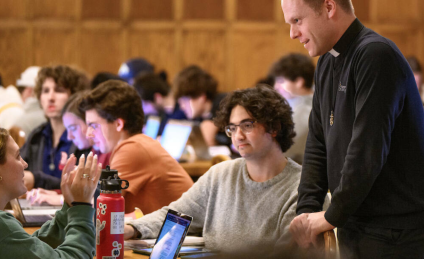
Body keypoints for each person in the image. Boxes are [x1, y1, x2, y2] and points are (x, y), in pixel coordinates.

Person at [275, 0, 424, 257]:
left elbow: (367, 149)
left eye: (297, 20)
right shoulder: (327, 61)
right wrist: (307, 213)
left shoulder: (375, 55)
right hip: (357, 216)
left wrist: (329, 217)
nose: (293, 33)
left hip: (394, 224)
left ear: (329, 7)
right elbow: (318, 145)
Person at [124, 84, 300, 255]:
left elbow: (286, 254)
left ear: (274, 127)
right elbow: (175, 216)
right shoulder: (220, 175)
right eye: (232, 128)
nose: (238, 136)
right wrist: (131, 228)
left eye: (247, 125)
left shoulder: (301, 187)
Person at [0, 126, 101, 258]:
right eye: (17, 156)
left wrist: (70, 204)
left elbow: (28, 251)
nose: (25, 164)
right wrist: (81, 206)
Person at [80, 80, 193, 214]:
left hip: (182, 233)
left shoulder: (132, 148)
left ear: (118, 124)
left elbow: (100, 210)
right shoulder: (137, 144)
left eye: (93, 125)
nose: (88, 134)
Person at [27, 91, 112, 206]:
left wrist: (62, 199)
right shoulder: (97, 150)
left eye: (73, 128)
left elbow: (105, 199)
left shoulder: (107, 151)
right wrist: (58, 194)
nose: (69, 136)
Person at [21, 65, 89, 190]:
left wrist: (37, 180)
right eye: (45, 91)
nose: (50, 98)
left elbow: (82, 185)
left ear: (74, 96)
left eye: (59, 90)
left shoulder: (83, 136)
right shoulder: (37, 136)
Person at [270, 53, 314, 164]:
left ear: (299, 82)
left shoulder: (306, 110)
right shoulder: (292, 103)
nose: (276, 86)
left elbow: (285, 150)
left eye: (281, 81)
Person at [173, 65, 228, 147]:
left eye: (185, 101)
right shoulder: (200, 116)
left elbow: (206, 141)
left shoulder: (223, 103)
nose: (182, 107)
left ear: (201, 97)